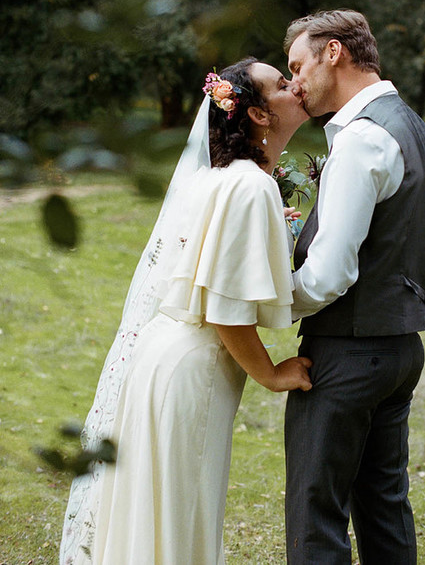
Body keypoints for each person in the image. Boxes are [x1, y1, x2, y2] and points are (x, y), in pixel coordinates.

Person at [60, 57, 312, 565]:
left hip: (162, 357)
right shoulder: (248, 185)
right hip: (190, 368)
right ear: (259, 115)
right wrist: (271, 374)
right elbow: (223, 306)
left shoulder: (222, 177)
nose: (296, 87)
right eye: (283, 84)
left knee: (156, 514)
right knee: (179, 514)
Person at [283, 10, 425, 565]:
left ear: (334, 52)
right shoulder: (415, 128)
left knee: (317, 512)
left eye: (298, 65)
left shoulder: (360, 139)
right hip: (403, 349)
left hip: (347, 352)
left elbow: (330, 275)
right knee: (384, 504)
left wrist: (270, 303)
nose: (295, 83)